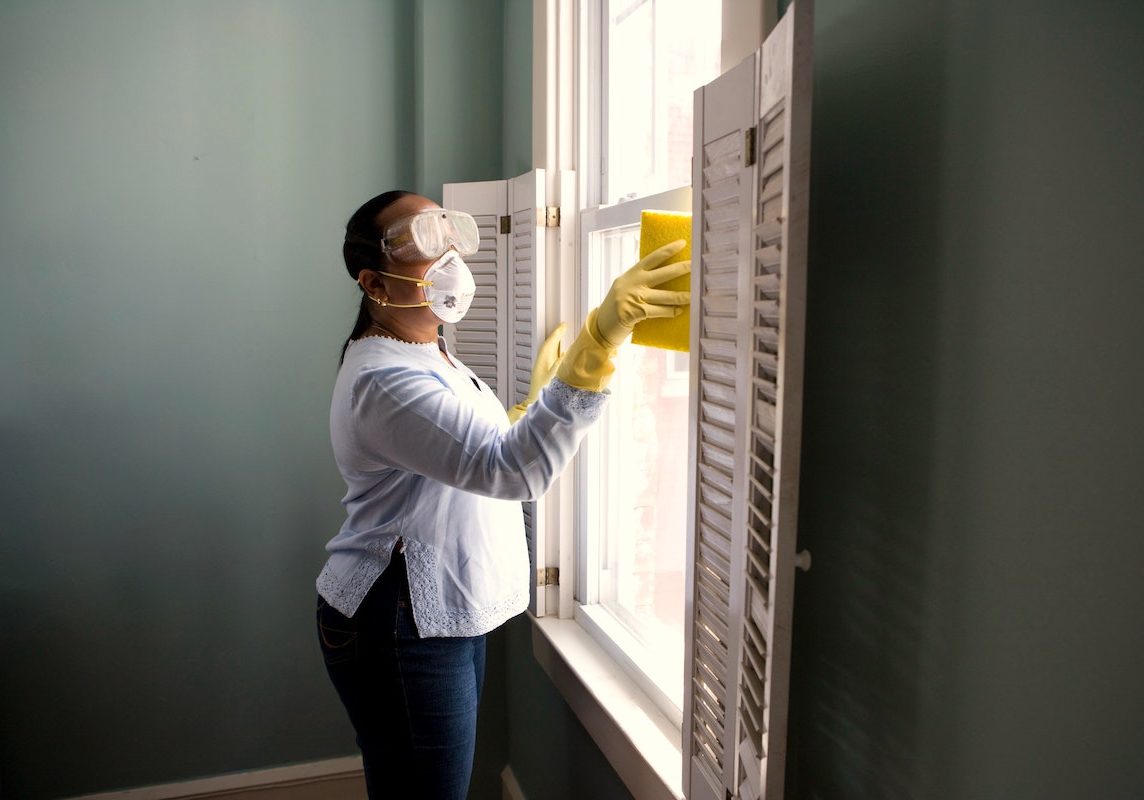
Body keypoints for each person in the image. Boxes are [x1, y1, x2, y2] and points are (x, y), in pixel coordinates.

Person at [315, 190, 689, 799]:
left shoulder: (427, 352)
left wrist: (528, 406)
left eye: (450, 230)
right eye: (423, 240)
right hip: (397, 617)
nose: (451, 252)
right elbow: (512, 472)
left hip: (431, 612)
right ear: (374, 283)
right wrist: (598, 343)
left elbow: (462, 451)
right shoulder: (384, 377)